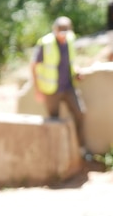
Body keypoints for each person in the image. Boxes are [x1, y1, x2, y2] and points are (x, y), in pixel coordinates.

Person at [31, 16, 88, 158]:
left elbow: (71, 61)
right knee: (54, 121)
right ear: (55, 30)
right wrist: (37, 89)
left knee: (80, 113)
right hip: (51, 90)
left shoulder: (70, 40)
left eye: (66, 31)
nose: (63, 34)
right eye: (60, 31)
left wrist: (77, 70)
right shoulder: (46, 43)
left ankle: (81, 149)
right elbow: (33, 66)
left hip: (68, 86)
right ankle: (56, 155)